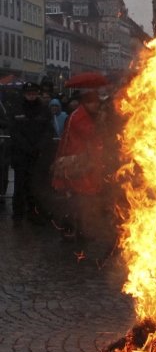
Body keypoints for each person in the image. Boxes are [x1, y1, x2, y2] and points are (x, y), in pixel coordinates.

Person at [51, 89, 114, 260]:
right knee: (77, 199)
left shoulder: (86, 114)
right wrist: (101, 121)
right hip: (78, 164)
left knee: (84, 198)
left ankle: (81, 230)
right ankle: (71, 230)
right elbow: (91, 135)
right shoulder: (79, 116)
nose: (96, 105)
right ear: (86, 102)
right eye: (94, 102)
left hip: (88, 165)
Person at [8, 82, 53, 224]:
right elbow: (13, 130)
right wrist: (26, 147)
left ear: (37, 93)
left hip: (37, 155)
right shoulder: (16, 108)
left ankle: (34, 213)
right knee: (19, 186)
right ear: (24, 93)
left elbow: (48, 130)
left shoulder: (44, 109)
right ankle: (17, 215)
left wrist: (39, 146)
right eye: (29, 92)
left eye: (34, 92)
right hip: (20, 155)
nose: (31, 95)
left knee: (35, 186)